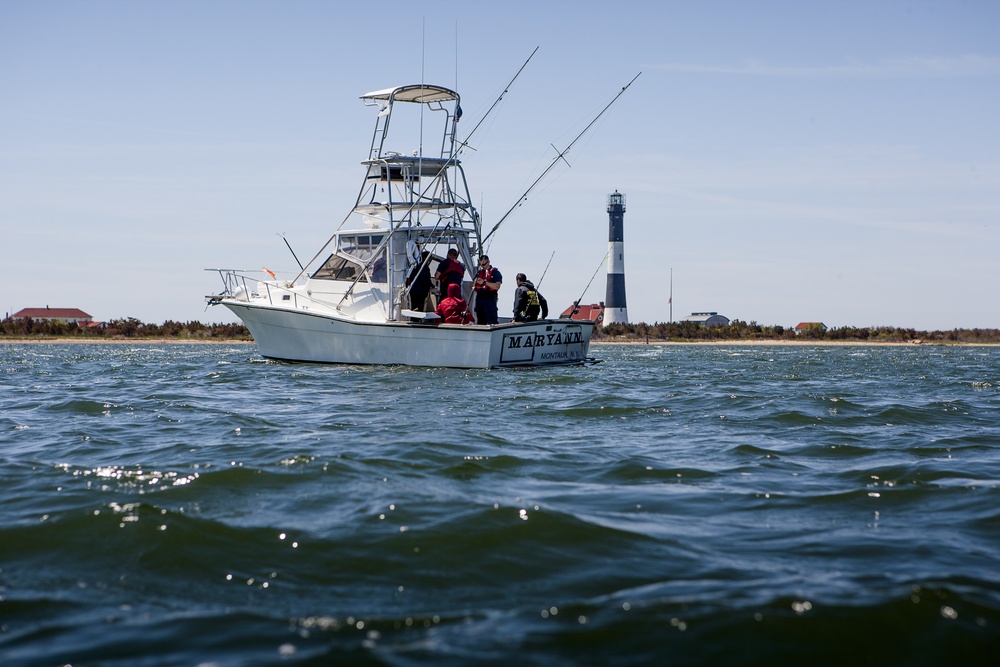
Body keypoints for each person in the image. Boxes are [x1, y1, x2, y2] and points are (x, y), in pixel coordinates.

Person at [473, 255, 502, 325]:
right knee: (480, 322)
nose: (482, 266)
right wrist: (475, 282)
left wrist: (484, 282)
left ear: (488, 262)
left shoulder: (495, 273)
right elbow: (471, 286)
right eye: (481, 265)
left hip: (490, 300)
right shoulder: (479, 273)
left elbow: (497, 286)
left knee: (492, 322)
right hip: (480, 300)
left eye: (484, 264)